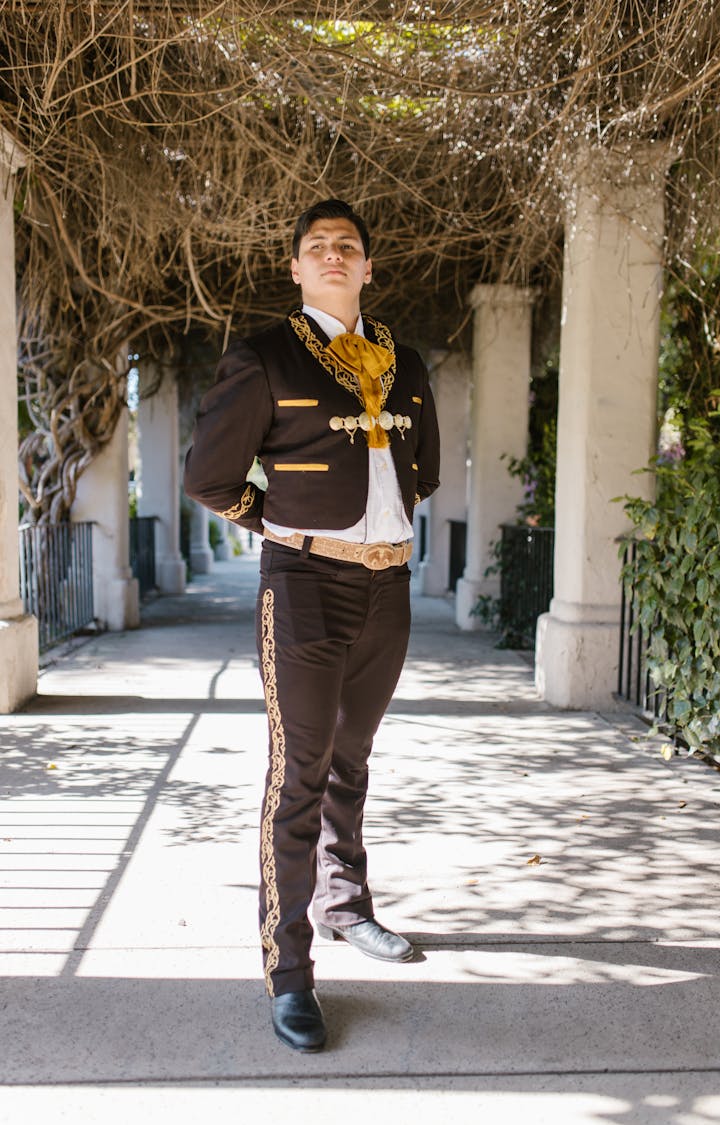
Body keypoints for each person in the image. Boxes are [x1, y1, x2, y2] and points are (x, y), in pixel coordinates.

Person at [184, 198, 440, 1052]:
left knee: (352, 761)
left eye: (349, 247)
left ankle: (346, 906)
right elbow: (208, 477)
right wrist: (283, 519)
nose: (334, 255)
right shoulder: (261, 358)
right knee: (298, 776)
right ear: (295, 268)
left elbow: (424, 471)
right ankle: (288, 971)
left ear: (368, 268)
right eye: (317, 247)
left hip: (388, 588)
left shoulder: (406, 364)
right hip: (301, 585)